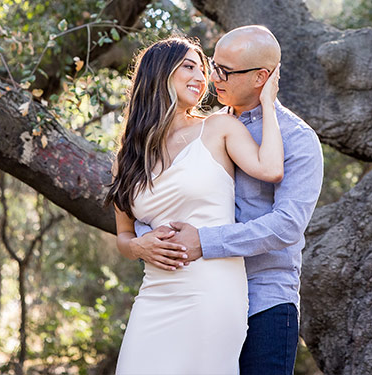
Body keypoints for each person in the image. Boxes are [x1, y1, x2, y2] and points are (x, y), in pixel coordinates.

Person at [137, 25, 324, 375]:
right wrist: (146, 238)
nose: (212, 78)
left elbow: (287, 226)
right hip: (198, 294)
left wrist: (203, 242)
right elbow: (166, 195)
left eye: (225, 71)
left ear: (261, 78)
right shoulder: (205, 128)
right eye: (213, 65)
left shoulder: (297, 140)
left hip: (264, 301)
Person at [107, 35, 283, 375]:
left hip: (211, 291)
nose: (202, 78)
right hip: (155, 293)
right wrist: (140, 247)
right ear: (159, 73)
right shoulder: (127, 157)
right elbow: (124, 237)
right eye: (190, 66)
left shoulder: (218, 128)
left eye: (204, 70)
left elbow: (272, 169)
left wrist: (268, 103)